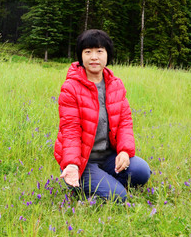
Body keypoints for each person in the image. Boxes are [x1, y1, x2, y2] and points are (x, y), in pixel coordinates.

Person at [54, 29, 150, 203]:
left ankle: (103, 180)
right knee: (119, 196)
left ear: (107, 55)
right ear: (80, 56)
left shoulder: (116, 85)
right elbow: (70, 130)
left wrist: (124, 152)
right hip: (83, 161)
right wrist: (72, 164)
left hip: (108, 157)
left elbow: (124, 123)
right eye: (88, 52)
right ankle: (79, 181)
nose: (94, 57)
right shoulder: (70, 88)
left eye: (99, 51)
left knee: (142, 171)